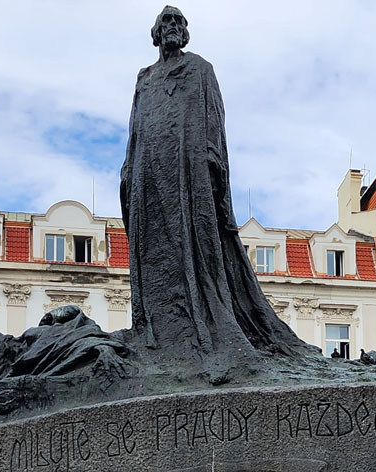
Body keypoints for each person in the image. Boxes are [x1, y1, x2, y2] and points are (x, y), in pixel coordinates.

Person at [120, 7, 313, 373]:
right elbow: (135, 130)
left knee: (199, 246)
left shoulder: (200, 70)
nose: (174, 27)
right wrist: (128, 169)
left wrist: (213, 164)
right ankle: (159, 332)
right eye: (167, 23)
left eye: (179, 22)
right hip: (148, 176)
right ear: (156, 33)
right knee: (153, 249)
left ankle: (204, 329)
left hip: (187, 173)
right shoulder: (144, 79)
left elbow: (214, 120)